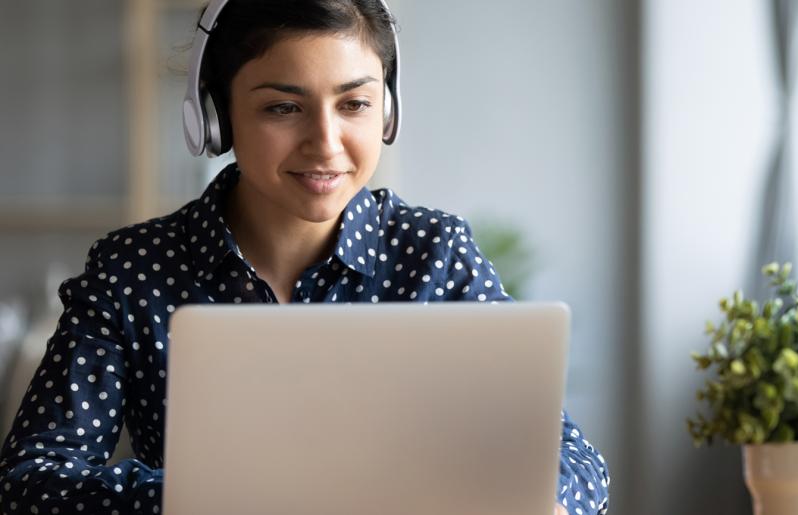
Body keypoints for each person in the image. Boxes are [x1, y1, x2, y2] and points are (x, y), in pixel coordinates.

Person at [0, 1, 610, 513]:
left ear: (388, 111)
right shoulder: (134, 267)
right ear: (217, 116)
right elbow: (32, 480)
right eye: (282, 107)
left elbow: (574, 463)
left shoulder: (435, 252)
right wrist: (214, 499)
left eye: (354, 104)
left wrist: (545, 502)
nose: (325, 142)